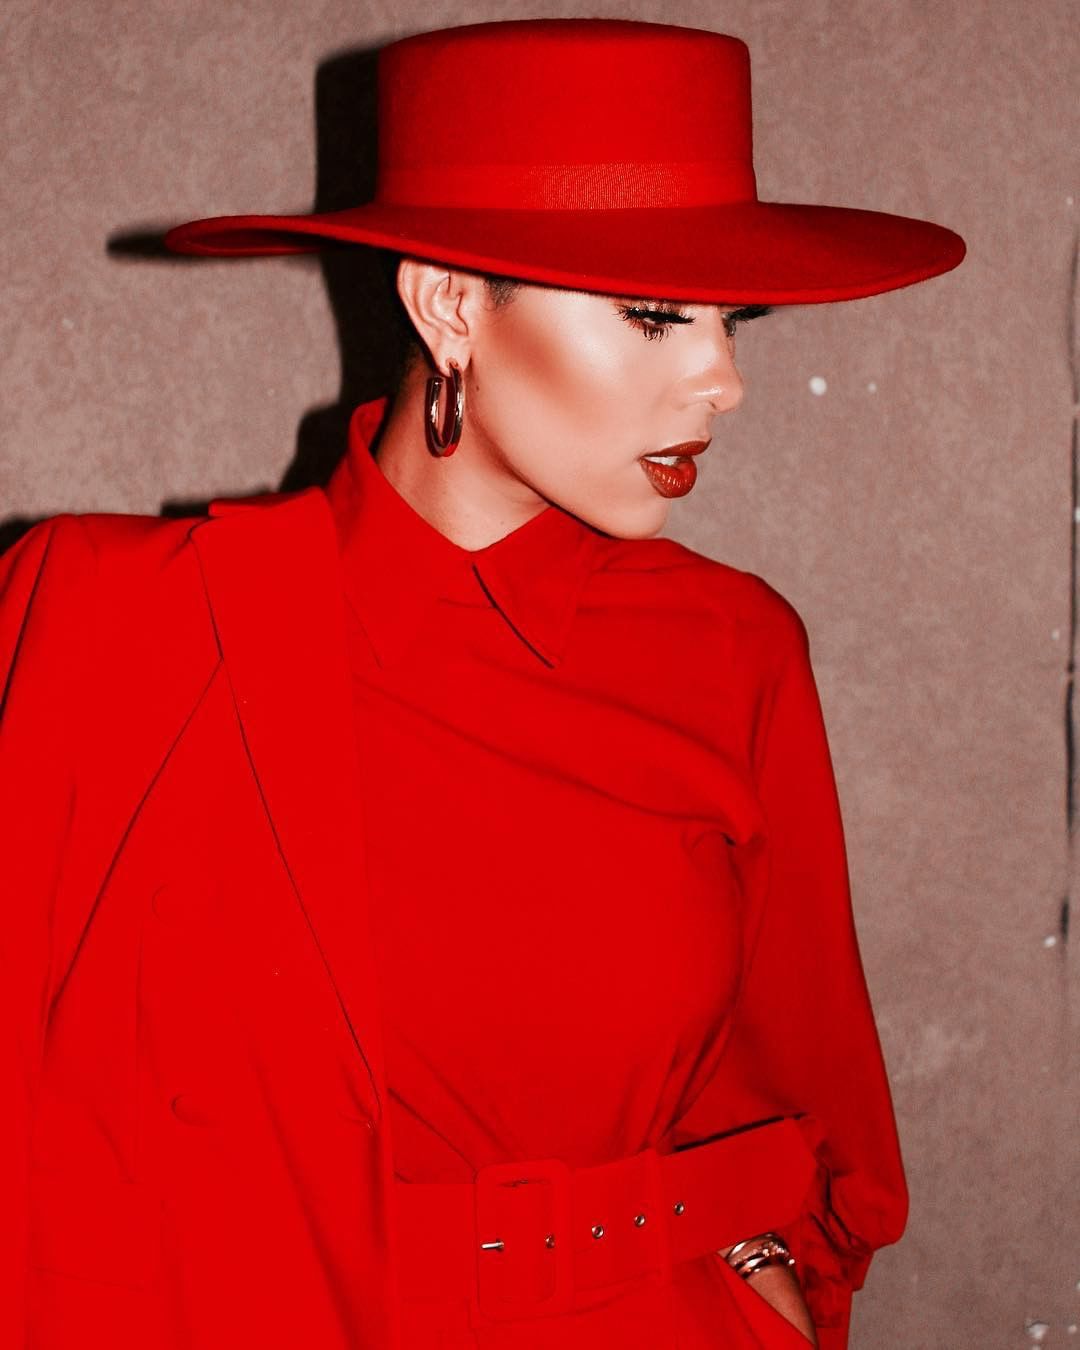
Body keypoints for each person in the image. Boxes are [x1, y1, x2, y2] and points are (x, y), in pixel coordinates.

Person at [0, 17, 964, 1350]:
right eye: (654, 315)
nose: (725, 380)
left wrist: (769, 1263)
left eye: (731, 320)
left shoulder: (731, 649)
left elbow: (804, 1091)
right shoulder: (113, 621)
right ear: (450, 303)